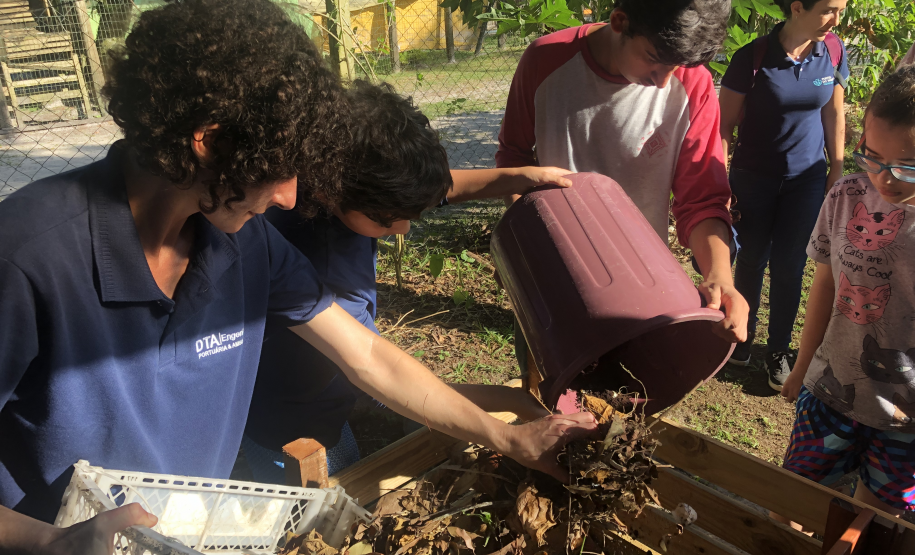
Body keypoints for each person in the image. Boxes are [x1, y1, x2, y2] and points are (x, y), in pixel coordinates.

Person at [0, 2, 597, 552]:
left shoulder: (246, 242)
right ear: (209, 143)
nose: (290, 198)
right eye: (280, 170)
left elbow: (368, 356)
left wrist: (510, 437)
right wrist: (48, 543)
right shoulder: (26, 257)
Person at [240, 81, 573, 483]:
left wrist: (517, 177)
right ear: (335, 192)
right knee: (325, 492)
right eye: (389, 218)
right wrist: (507, 408)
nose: (404, 228)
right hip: (289, 413)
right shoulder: (324, 270)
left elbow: (430, 188)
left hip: (318, 375)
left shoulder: (336, 181)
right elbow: (376, 374)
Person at [496, 0, 749, 379]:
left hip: (641, 288)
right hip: (552, 281)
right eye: (654, 60)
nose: (663, 81)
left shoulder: (692, 85)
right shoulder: (545, 61)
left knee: (628, 395)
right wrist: (525, 250)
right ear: (619, 22)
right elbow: (514, 158)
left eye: (676, 66)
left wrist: (720, 277)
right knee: (547, 392)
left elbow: (702, 199)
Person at [780, 66, 915, 520]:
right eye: (872, 157)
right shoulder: (846, 196)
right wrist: (802, 365)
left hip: (907, 419)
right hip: (830, 392)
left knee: (870, 525)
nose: (885, 179)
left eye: (907, 166)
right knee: (789, 505)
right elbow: (825, 284)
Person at [718, 0, 850, 391]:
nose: (836, 19)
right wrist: (721, 183)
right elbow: (724, 127)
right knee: (751, 259)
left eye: (841, 10)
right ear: (797, 7)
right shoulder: (752, 58)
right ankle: (741, 339)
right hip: (753, 178)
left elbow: (834, 114)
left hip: (806, 180)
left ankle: (778, 349)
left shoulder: (832, 51)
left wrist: (836, 170)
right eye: (828, 9)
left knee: (792, 265)